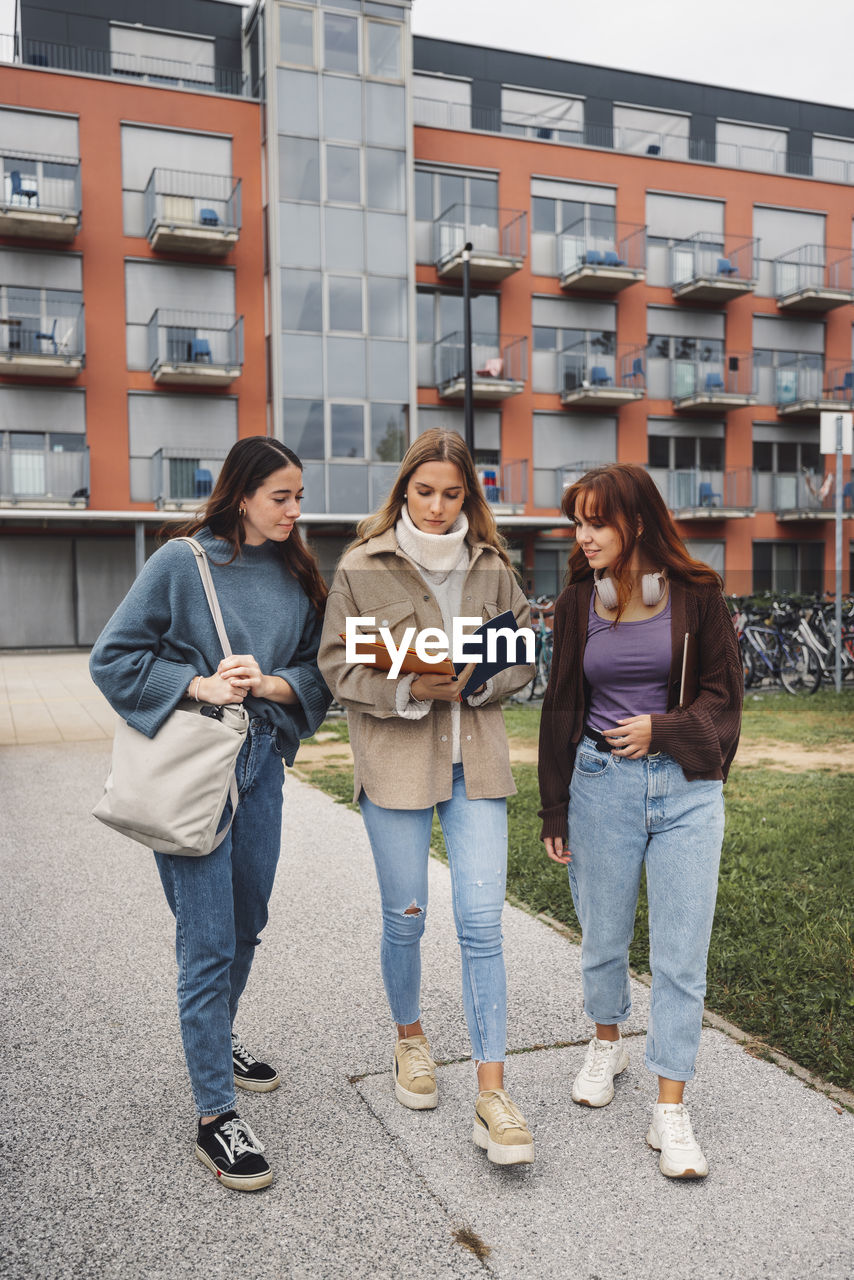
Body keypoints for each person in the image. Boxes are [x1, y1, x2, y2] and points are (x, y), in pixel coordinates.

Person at [90, 437, 331, 1191]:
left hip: (262, 770)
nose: (295, 510)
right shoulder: (180, 564)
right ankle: (215, 1117)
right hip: (197, 772)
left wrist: (268, 684)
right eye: (281, 497)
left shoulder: (298, 575)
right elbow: (114, 657)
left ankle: (214, 1036)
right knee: (207, 942)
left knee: (249, 920)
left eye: (298, 495)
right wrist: (200, 685)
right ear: (242, 494)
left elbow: (316, 671)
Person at [318, 429, 537, 1166]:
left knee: (482, 924)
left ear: (468, 494)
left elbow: (524, 654)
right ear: (402, 490)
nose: (439, 508)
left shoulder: (492, 566)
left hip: (475, 766)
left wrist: (480, 676)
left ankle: (493, 1092)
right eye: (425, 492)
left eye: (452, 493)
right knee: (406, 917)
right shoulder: (361, 566)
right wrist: (409, 686)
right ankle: (410, 1041)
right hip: (397, 765)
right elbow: (336, 667)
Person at [538, 462, 742, 1179]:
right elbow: (560, 704)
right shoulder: (577, 603)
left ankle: (671, 1109)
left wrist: (666, 729)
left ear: (638, 522)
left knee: (681, 956)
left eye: (597, 522)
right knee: (603, 938)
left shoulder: (697, 593)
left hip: (686, 792)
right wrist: (555, 803)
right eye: (578, 522)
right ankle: (606, 1040)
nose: (583, 535)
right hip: (600, 787)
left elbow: (724, 697)